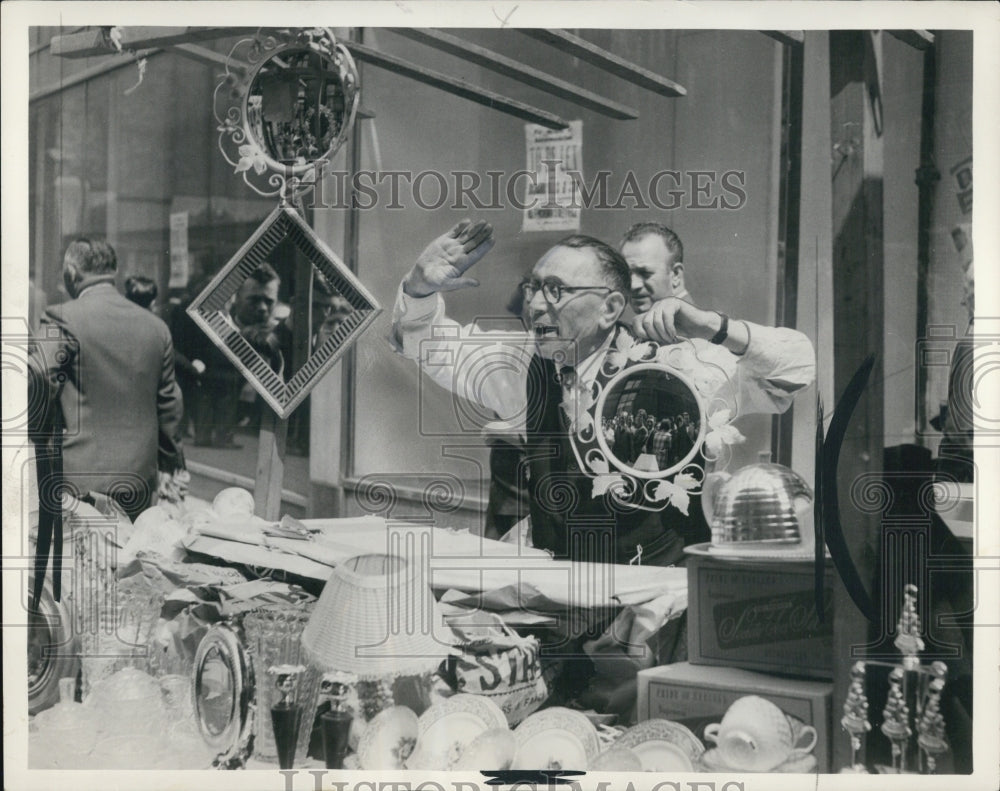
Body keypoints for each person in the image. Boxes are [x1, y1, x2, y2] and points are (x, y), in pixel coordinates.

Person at [391, 220, 816, 566]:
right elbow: (430, 345)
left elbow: (796, 368)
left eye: (556, 290)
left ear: (611, 308)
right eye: (533, 288)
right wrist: (418, 288)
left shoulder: (682, 369)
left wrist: (712, 327)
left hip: (653, 611)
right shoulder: (525, 366)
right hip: (562, 602)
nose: (537, 305)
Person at [28, 238, 184, 520]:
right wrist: (171, 464)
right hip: (138, 481)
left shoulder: (61, 317)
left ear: (71, 273)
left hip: (79, 482)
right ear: (113, 272)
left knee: (81, 561)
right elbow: (170, 403)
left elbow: (38, 371)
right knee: (129, 561)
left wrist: (37, 431)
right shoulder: (157, 328)